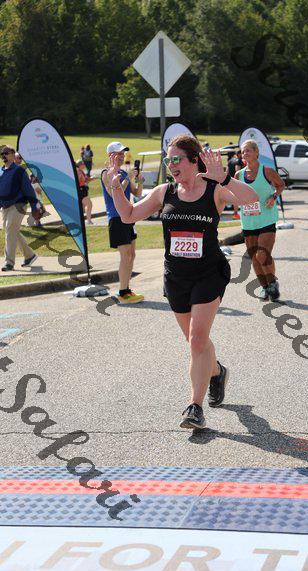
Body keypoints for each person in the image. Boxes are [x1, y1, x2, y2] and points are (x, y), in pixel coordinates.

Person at [107, 135, 258, 429]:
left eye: (176, 159)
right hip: (176, 277)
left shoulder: (214, 189)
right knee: (194, 340)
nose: (171, 165)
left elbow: (251, 199)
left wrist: (225, 178)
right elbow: (128, 215)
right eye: (168, 160)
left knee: (197, 339)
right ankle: (216, 372)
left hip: (209, 273)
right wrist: (115, 187)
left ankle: (195, 407)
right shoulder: (164, 192)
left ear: (193, 160)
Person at [235, 139, 285, 301]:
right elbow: (234, 194)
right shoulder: (239, 175)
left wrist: (273, 197)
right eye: (243, 151)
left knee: (262, 255)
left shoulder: (267, 171)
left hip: (266, 219)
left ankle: (272, 284)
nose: (245, 153)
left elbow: (280, 185)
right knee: (254, 257)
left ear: (256, 152)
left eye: (248, 150)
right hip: (248, 222)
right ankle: (265, 287)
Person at [101, 141, 145, 304]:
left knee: (131, 254)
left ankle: (126, 289)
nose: (121, 157)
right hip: (116, 218)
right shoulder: (106, 173)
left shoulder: (124, 173)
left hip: (128, 217)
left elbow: (137, 193)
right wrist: (128, 178)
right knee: (125, 255)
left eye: (122, 154)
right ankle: (122, 292)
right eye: (118, 154)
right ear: (110, 156)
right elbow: (113, 194)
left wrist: (139, 181)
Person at [0, 145, 40, 271]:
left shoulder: (19, 171)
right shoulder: (1, 171)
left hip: (18, 205)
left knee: (10, 230)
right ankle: (30, 255)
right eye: (2, 154)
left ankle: (9, 263)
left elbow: (28, 190)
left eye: (6, 153)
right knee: (12, 231)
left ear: (13, 155)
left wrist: (34, 207)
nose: (3, 155)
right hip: (5, 207)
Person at [227, 150, 244, 219]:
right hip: (236, 181)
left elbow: (227, 171)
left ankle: (235, 213)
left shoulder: (230, 161)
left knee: (234, 197)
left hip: (230, 181)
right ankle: (237, 213)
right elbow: (237, 172)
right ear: (239, 154)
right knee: (240, 197)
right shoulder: (239, 161)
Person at [76, 160, 93, 224]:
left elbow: (86, 180)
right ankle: (89, 221)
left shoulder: (81, 171)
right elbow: (77, 181)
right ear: (80, 165)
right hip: (81, 190)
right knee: (89, 204)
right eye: (83, 164)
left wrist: (93, 178)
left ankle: (81, 221)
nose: (84, 165)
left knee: (82, 207)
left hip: (83, 189)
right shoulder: (78, 171)